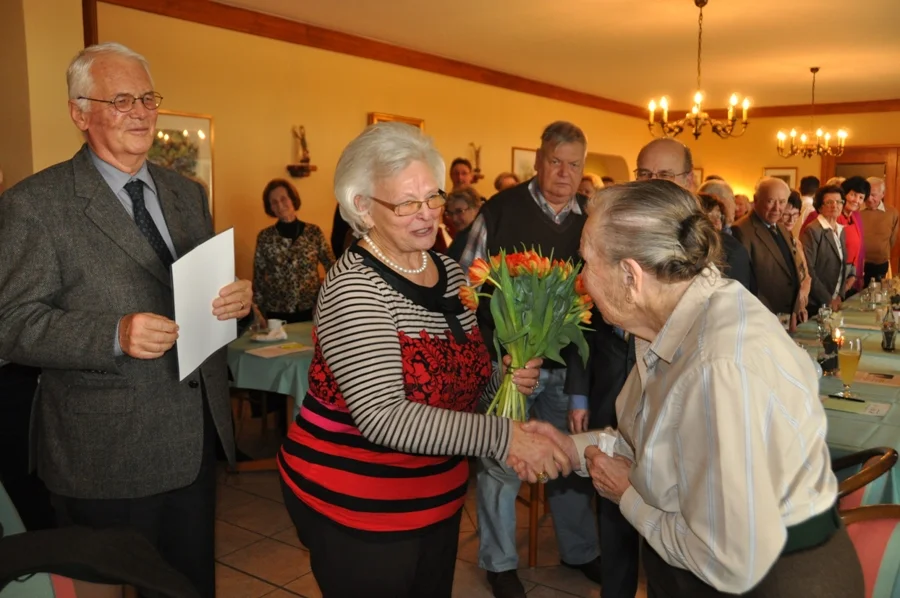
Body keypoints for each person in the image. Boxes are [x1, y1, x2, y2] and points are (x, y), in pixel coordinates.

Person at [518, 179, 864, 598]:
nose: (580, 281)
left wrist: (628, 496)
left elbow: (727, 558)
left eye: (587, 263)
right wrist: (569, 448)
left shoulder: (719, 365)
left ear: (631, 276)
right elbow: (653, 437)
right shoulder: (668, 322)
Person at [0, 42, 253, 597]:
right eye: (119, 100)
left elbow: (199, 293)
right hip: (104, 452)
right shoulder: (34, 205)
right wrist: (112, 335)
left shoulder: (188, 193)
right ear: (79, 113)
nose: (140, 111)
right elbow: (11, 324)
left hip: (194, 437)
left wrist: (237, 306)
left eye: (146, 97)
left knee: (187, 586)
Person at [277, 122, 570, 598]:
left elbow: (463, 377)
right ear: (362, 207)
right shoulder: (355, 289)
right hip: (359, 504)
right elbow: (383, 417)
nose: (427, 215)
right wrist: (506, 436)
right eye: (406, 204)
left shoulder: (450, 270)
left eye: (431, 198)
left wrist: (503, 378)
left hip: (437, 493)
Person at [460, 121, 601, 598]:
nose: (565, 173)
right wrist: (494, 356)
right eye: (556, 161)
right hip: (510, 370)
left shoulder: (591, 220)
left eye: (575, 165)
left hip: (564, 372)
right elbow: (464, 286)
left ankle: (580, 550)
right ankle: (499, 563)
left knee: (567, 458)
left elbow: (594, 313)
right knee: (501, 463)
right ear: (538, 162)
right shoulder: (501, 210)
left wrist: (581, 385)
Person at [253, 179, 335, 323]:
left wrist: (326, 299)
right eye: (274, 202)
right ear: (270, 207)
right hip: (276, 311)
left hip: (311, 309)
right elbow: (258, 278)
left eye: (284, 199)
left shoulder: (313, 232)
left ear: (292, 199)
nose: (280, 205)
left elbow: (332, 267)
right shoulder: (265, 237)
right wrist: (259, 312)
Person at [733, 178, 808, 328]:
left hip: (787, 316)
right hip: (763, 318)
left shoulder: (781, 228)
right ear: (756, 200)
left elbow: (790, 271)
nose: (777, 208)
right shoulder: (741, 230)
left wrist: (794, 309)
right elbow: (745, 283)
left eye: (782, 202)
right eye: (770, 201)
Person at [801, 185, 853, 313]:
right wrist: (828, 299)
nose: (835, 206)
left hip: (835, 299)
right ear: (820, 206)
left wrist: (840, 295)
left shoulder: (841, 230)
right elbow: (808, 270)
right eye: (829, 202)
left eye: (839, 202)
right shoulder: (812, 230)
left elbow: (842, 265)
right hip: (817, 302)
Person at [697, 193, 754, 293]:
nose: (716, 222)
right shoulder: (692, 247)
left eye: (719, 216)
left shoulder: (730, 247)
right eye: (709, 216)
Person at [860, 177, 898, 285]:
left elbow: (892, 239)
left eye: (873, 195)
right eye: (867, 194)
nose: (869, 198)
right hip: (858, 264)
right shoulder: (856, 211)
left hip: (880, 263)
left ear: (883, 194)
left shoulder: (892, 212)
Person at [839, 176, 869, 293]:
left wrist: (856, 275)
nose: (856, 200)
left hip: (852, 275)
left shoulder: (855, 216)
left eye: (861, 197)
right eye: (853, 194)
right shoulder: (835, 216)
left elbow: (859, 247)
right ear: (844, 194)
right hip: (837, 275)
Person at [445, 186, 482, 262]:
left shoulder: (479, 237)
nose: (454, 218)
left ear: (476, 209)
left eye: (459, 211)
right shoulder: (461, 235)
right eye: (450, 213)